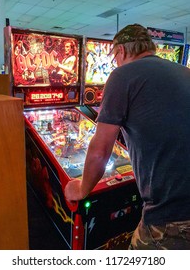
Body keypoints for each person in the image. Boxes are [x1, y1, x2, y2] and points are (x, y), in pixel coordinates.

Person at [64, 23, 190, 250]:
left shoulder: (123, 75)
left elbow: (101, 148)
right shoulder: (185, 72)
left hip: (173, 213)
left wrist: (82, 188)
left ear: (121, 51)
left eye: (114, 56)